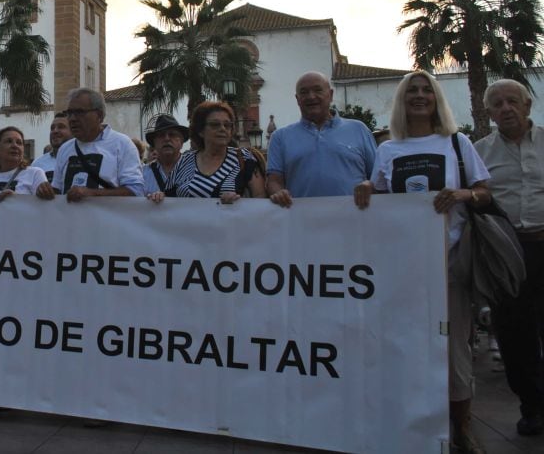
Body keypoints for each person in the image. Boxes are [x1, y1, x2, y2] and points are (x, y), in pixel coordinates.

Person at [354, 71, 491, 453]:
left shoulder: (458, 143)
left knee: (455, 349)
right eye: (411, 90)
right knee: (406, 345)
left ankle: (461, 426)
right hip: (401, 270)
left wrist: (463, 193)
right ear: (402, 100)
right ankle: (410, 421)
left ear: (436, 98)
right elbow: (379, 201)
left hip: (448, 265)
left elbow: (484, 192)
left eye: (425, 90)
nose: (418, 96)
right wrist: (367, 187)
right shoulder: (387, 150)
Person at [473, 79, 544, 437]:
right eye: (497, 104)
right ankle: (532, 406)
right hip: (507, 252)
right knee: (515, 335)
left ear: (527, 105)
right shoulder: (479, 152)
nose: (506, 108)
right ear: (489, 113)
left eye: (512, 101)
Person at [267, 71, 377, 207]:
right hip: (302, 222)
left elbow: (377, 176)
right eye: (304, 92)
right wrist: (278, 192)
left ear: (330, 95)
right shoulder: (280, 137)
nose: (311, 96)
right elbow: (274, 180)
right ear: (297, 99)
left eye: (318, 90)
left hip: (353, 220)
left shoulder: (359, 129)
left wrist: (369, 184)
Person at [48, 87, 144, 201]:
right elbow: (58, 190)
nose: (72, 118)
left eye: (79, 112)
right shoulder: (65, 149)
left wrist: (92, 194)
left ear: (99, 115)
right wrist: (45, 191)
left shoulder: (122, 144)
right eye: (69, 113)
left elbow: (136, 191)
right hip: (70, 218)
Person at [169, 102, 266, 202]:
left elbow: (260, 199)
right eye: (215, 125)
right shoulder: (184, 161)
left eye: (227, 125)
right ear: (200, 131)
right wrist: (157, 197)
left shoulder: (244, 158)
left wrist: (239, 202)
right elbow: (167, 199)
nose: (222, 129)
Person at [0, 126, 52, 200]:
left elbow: (43, 208)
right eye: (9, 141)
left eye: (19, 143)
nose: (15, 146)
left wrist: (16, 201)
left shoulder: (35, 174)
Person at [141, 114, 189, 203]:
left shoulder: (194, 170)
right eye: (161, 135)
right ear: (154, 144)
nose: (167, 138)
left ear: (182, 142)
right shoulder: (142, 174)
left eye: (172, 134)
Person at [31, 112, 71, 185]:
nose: (55, 131)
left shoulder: (83, 159)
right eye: (52, 128)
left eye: (61, 127)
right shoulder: (37, 164)